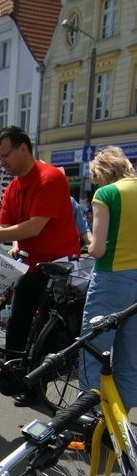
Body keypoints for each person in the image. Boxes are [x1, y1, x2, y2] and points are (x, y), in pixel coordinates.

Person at [0, 126, 80, 405]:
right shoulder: (13, 187)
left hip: (58, 263)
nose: (2, 163)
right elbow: (5, 224)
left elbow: (34, 227)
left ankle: (36, 386)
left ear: (23, 148)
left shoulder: (50, 177)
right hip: (32, 263)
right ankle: (12, 376)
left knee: (45, 329)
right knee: (17, 322)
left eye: (5, 156)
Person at [79, 146, 137, 409]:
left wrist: (88, 245)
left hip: (112, 278)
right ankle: (120, 427)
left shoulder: (107, 193)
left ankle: (89, 420)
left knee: (92, 350)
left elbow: (98, 249)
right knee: (130, 357)